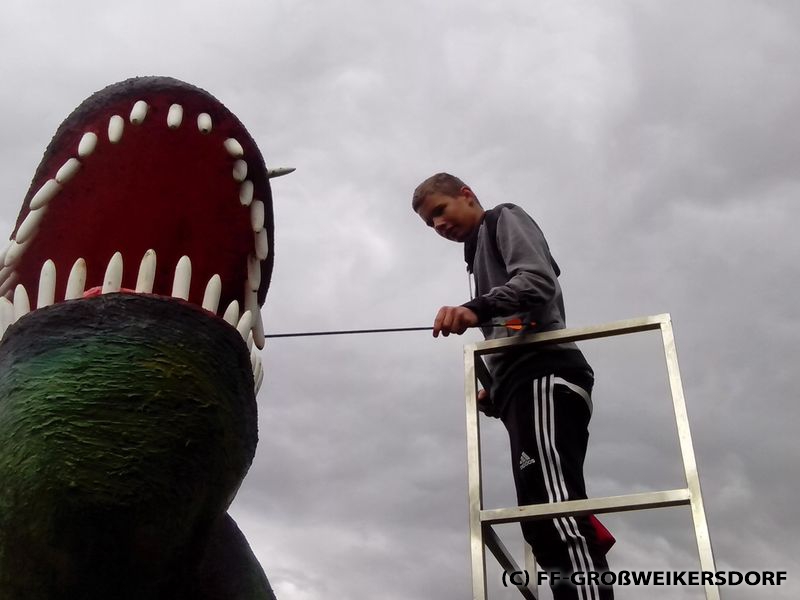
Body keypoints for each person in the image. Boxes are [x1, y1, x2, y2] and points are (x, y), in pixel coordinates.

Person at [412, 172, 614, 600]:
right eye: (430, 224)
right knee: (541, 521)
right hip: (523, 383)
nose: (439, 225)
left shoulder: (503, 218)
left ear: (467, 195)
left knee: (556, 513)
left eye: (440, 211)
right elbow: (516, 325)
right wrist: (499, 387)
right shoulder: (476, 255)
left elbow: (538, 282)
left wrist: (475, 308)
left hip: (544, 372)